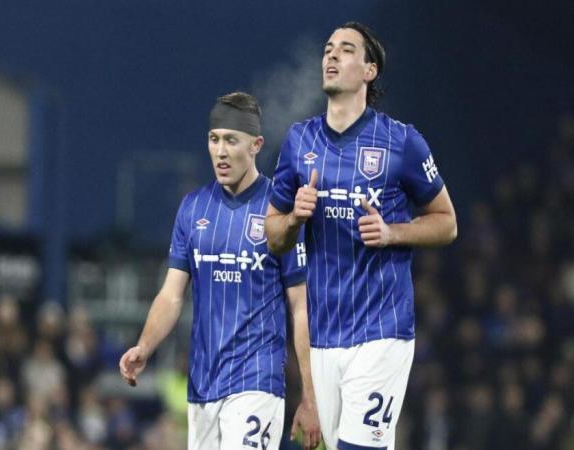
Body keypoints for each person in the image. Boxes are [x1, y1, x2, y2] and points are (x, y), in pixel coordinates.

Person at [265, 22, 457, 450]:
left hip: (381, 329)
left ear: (369, 70)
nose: (331, 56)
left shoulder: (401, 142)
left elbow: (447, 222)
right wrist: (295, 218)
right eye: (328, 49)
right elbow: (272, 235)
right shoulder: (300, 141)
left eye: (346, 50)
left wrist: (392, 232)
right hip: (323, 337)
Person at [119, 92, 321, 450]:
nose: (221, 151)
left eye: (232, 140)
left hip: (256, 382)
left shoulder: (281, 214)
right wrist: (145, 346)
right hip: (203, 387)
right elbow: (171, 294)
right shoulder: (193, 208)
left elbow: (300, 308)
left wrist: (310, 394)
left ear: (256, 144)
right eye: (214, 139)